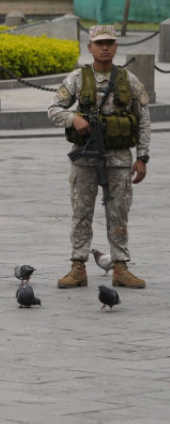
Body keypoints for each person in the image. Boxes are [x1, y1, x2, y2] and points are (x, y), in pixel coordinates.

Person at [46, 25, 150, 289]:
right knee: (82, 212)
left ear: (116, 47)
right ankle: (78, 266)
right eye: (100, 43)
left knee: (119, 213)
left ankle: (120, 267)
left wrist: (143, 157)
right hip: (85, 159)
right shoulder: (77, 79)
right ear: (90, 47)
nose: (105, 48)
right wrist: (74, 118)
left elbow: (143, 120)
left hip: (119, 159)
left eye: (109, 43)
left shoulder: (129, 80)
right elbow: (53, 109)